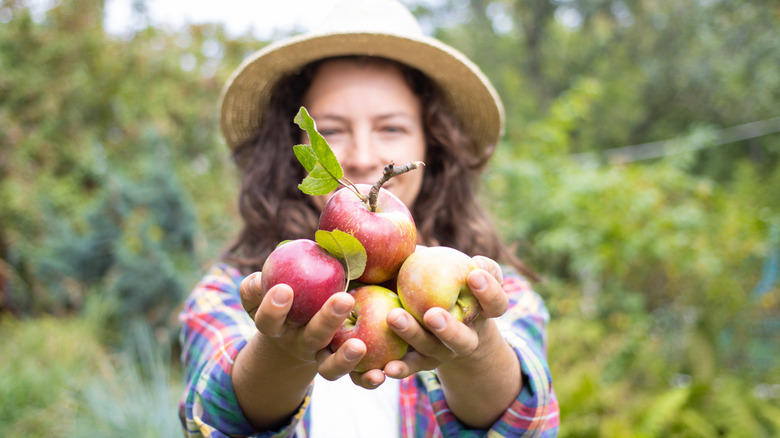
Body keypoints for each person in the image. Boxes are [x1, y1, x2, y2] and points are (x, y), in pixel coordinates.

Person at [178, 0, 559, 436]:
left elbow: (530, 426)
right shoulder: (238, 291)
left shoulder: (495, 291)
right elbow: (210, 422)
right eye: (333, 131)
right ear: (295, 148)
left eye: (391, 129)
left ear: (432, 143)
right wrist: (279, 352)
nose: (361, 158)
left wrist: (477, 350)